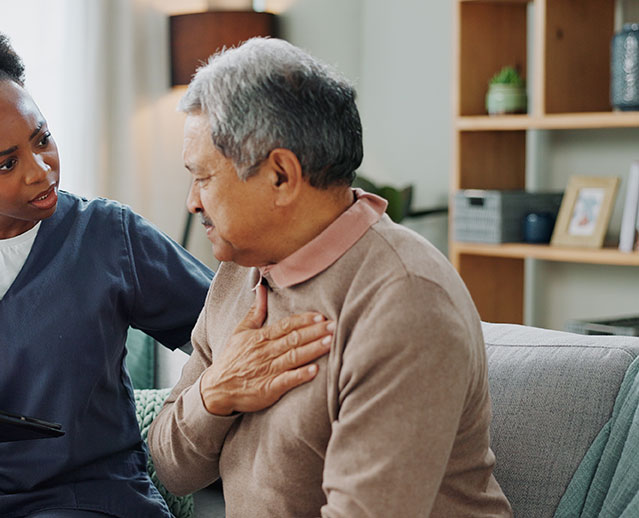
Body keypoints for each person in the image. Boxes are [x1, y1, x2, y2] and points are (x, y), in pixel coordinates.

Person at [0, 22, 328, 518]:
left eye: (42, 139)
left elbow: (229, 326)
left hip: (85, 493)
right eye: (6, 164)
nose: (40, 169)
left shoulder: (109, 236)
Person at [147, 38, 513, 517]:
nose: (192, 201)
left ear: (281, 175)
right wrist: (216, 392)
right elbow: (171, 470)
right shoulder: (239, 270)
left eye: (203, 177)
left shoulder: (406, 300)